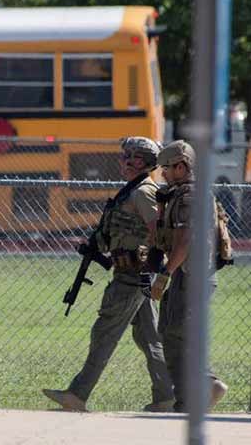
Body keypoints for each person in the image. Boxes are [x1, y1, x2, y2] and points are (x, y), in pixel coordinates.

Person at [43, 137, 174, 412]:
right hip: (136, 275)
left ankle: (77, 395)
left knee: (104, 333)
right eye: (124, 156)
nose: (123, 161)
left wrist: (149, 265)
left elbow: (158, 231)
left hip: (132, 277)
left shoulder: (142, 192)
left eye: (129, 156)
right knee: (149, 339)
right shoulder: (132, 190)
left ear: (141, 161)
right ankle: (166, 397)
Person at [149, 140, 229, 412]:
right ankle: (188, 398)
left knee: (177, 333)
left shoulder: (188, 196)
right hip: (193, 276)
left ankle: (206, 385)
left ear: (181, 167)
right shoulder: (186, 193)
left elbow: (185, 239)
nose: (163, 174)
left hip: (188, 276)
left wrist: (164, 274)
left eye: (167, 168)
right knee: (173, 331)